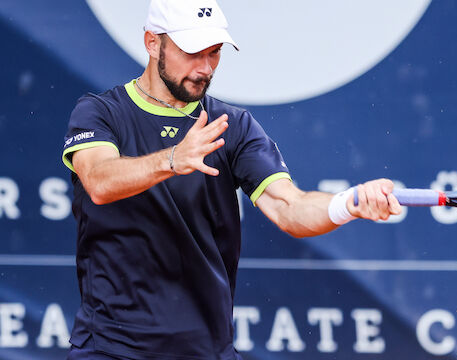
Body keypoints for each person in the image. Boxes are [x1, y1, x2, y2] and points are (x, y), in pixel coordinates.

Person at [62, 0, 401, 359]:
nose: (204, 68)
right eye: (192, 53)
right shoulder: (100, 112)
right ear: (152, 43)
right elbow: (98, 182)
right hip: (110, 350)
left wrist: (348, 204)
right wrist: (174, 158)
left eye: (214, 53)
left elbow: (290, 208)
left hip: (206, 350)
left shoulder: (233, 126)